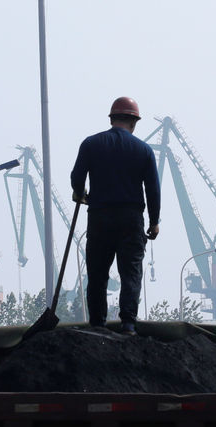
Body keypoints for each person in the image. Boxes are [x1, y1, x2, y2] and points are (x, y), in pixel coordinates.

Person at [70, 96, 160, 336]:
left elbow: (77, 177)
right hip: (131, 219)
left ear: (112, 119)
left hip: (100, 217)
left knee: (97, 273)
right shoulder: (144, 150)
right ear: (134, 122)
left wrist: (80, 194)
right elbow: (153, 189)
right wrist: (154, 222)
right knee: (130, 272)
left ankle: (98, 324)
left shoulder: (91, 144)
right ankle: (128, 324)